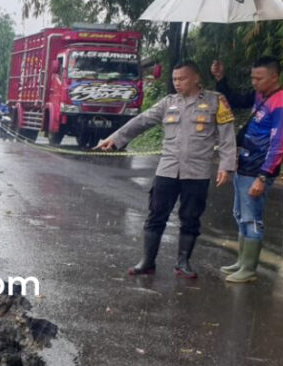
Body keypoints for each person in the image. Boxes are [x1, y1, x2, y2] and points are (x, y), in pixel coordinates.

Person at [95, 60, 236, 278]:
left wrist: (226, 166)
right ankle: (147, 262)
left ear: (196, 78)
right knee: (156, 215)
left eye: (183, 79)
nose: (178, 83)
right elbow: (141, 121)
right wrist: (115, 138)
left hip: (197, 172)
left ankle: (183, 263)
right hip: (167, 170)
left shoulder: (216, 101)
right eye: (175, 79)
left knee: (190, 217)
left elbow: (227, 135)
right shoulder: (168, 103)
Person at [211, 57, 283, 283]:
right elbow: (235, 99)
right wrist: (221, 78)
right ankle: (241, 261)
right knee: (240, 214)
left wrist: (264, 175)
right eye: (252, 78)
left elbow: (279, 143)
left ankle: (249, 269)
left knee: (252, 218)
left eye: (259, 78)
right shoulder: (261, 96)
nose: (254, 82)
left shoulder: (282, 101)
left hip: (259, 169)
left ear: (274, 77)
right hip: (244, 164)